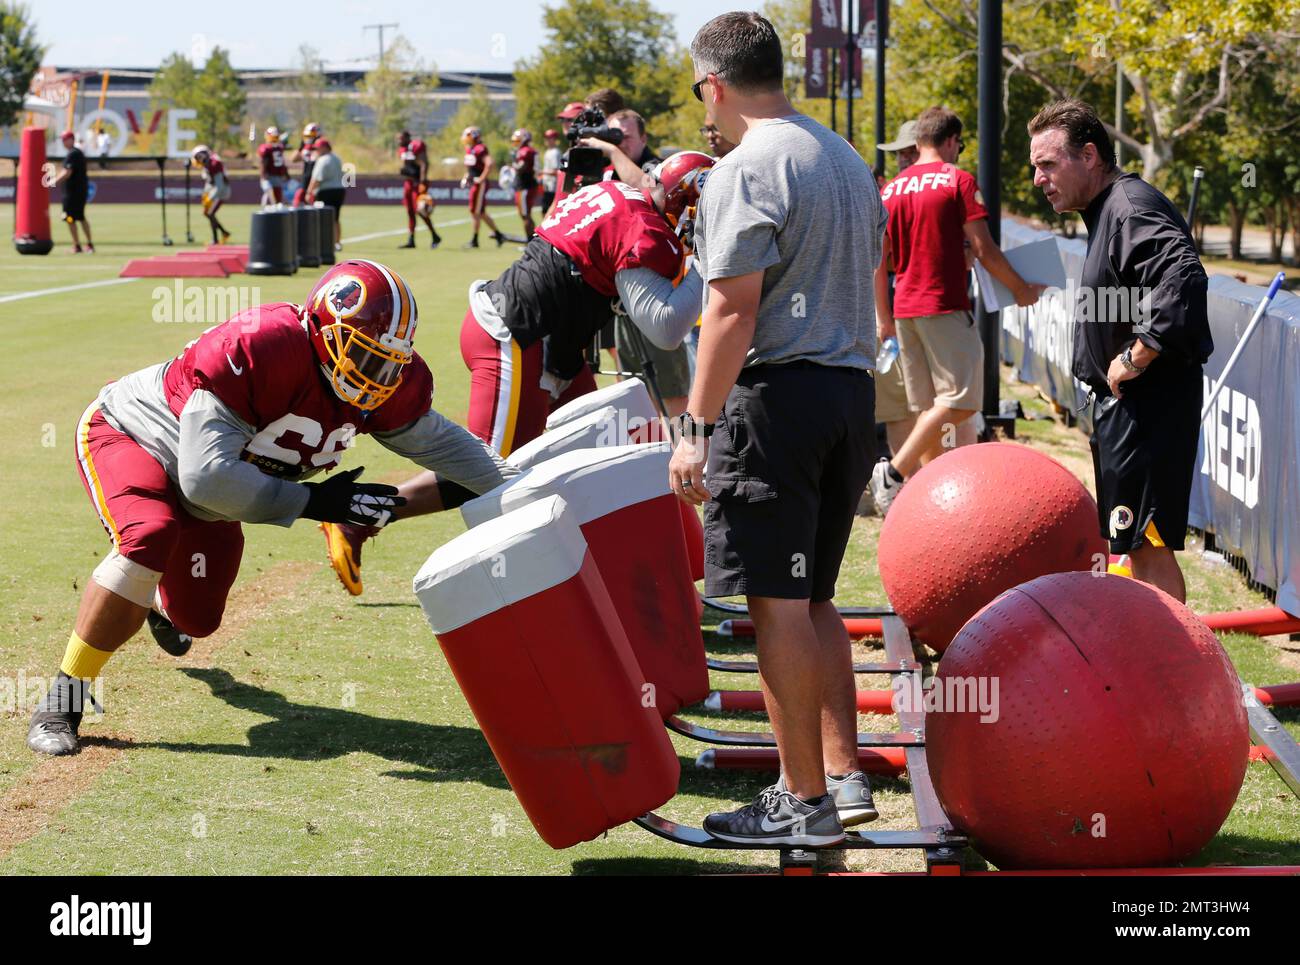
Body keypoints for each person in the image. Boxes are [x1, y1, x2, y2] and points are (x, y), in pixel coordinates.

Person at [26, 260, 517, 756]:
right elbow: (205, 478)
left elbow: (449, 450)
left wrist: (523, 488)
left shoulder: (387, 386)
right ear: (323, 331)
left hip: (215, 493)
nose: (376, 377)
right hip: (135, 436)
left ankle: (154, 599)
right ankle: (62, 701)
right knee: (150, 535)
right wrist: (316, 502)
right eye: (363, 356)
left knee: (198, 621)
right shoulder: (261, 346)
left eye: (387, 363)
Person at [672, 11, 885, 847]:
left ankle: (804, 800)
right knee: (816, 598)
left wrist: (693, 425)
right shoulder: (843, 155)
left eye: (700, 95)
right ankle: (843, 775)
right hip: (847, 395)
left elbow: (729, 310)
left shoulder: (746, 166)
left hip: (781, 403)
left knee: (777, 610)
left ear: (714, 86)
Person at [320, 155, 712, 596]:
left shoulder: (616, 194)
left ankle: (632, 576)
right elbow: (665, 328)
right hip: (516, 337)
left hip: (550, 348)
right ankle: (360, 520)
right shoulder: (645, 227)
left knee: (607, 449)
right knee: (489, 472)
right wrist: (705, 261)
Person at [1029, 99, 1212, 602]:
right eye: (1035, 168)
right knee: (1137, 545)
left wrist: (1135, 357)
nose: (1039, 179)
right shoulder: (1106, 210)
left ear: (1089, 156)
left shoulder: (1129, 206)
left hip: (1147, 410)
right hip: (1126, 413)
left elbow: (1182, 278)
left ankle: (1177, 675)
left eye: (1048, 164)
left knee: (1148, 545)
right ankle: (1165, 668)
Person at [869, 107, 1043, 516]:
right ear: (950, 141)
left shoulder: (891, 190)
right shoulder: (958, 180)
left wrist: (884, 318)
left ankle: (931, 501)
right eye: (959, 146)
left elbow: (881, 262)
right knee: (962, 401)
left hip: (905, 309)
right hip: (943, 305)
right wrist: (1020, 289)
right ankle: (893, 472)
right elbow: (983, 248)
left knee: (929, 409)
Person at [596, 109, 694, 418]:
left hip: (657, 292)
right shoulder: (604, 172)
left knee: (672, 391)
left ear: (644, 138)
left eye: (625, 137)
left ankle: (689, 456)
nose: (618, 143)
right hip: (621, 297)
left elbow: (645, 186)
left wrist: (612, 151)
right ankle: (652, 459)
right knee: (636, 394)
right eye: (612, 137)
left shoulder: (657, 168)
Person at [460, 126, 505, 249]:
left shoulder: (480, 148)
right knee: (481, 212)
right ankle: (499, 235)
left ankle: (475, 240)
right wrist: (465, 177)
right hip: (474, 183)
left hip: (479, 184)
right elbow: (470, 168)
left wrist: (482, 178)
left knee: (475, 211)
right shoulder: (471, 149)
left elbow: (489, 163)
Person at [396, 130, 440, 249]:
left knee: (421, 211)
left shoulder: (416, 146)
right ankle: (411, 240)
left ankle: (435, 236)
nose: (399, 141)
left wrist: (422, 181)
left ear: (407, 138)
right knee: (410, 211)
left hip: (417, 183)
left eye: (401, 138)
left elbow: (424, 163)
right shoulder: (402, 150)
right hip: (408, 183)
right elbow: (407, 165)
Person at [52, 130, 93, 253]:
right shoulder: (76, 153)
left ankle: (77, 245)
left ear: (71, 139)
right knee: (80, 217)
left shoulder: (73, 154)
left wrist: (53, 182)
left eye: (65, 139)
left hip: (73, 194)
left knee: (70, 218)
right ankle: (88, 244)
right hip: (78, 193)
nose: (63, 142)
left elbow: (67, 172)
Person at [305, 138, 345, 250]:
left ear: (324, 148)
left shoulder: (323, 160)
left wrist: (309, 192)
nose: (316, 151)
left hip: (326, 192)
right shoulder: (337, 158)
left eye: (318, 148)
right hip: (340, 190)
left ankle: (326, 243)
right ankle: (337, 242)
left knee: (324, 218)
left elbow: (316, 178)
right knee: (336, 218)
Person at [191, 144, 232, 245]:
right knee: (208, 213)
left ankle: (217, 239)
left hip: (221, 192)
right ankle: (223, 233)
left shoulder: (214, 163)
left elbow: (219, 186)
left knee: (210, 213)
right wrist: (206, 193)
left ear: (202, 156)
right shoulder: (209, 163)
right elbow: (209, 181)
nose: (197, 160)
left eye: (198, 157)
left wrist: (209, 198)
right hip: (214, 191)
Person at [509, 128, 540, 238]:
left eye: (518, 141)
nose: (515, 143)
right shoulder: (526, 150)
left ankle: (531, 240)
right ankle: (531, 239)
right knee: (525, 215)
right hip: (525, 185)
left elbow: (521, 167)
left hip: (526, 186)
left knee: (525, 215)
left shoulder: (526, 151)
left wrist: (513, 163)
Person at [257, 126, 288, 206]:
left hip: (278, 175)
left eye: (275, 138)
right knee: (270, 192)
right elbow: (263, 162)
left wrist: (285, 173)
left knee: (278, 196)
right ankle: (269, 209)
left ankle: (277, 210)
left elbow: (282, 162)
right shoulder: (265, 148)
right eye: (272, 138)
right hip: (269, 176)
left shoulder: (279, 148)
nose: (273, 140)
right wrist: (263, 174)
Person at [292, 122, 321, 206]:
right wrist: (301, 148)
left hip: (317, 181)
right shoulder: (305, 148)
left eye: (311, 135)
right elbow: (293, 159)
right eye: (307, 136)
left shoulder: (320, 147)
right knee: (298, 201)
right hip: (305, 180)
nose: (309, 138)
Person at [539, 128, 562, 214]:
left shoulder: (555, 152)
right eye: (546, 138)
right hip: (548, 186)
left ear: (554, 139)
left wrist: (542, 172)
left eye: (549, 138)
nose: (547, 140)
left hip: (553, 187)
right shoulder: (548, 151)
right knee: (545, 211)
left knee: (548, 212)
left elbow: (556, 171)